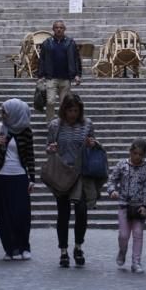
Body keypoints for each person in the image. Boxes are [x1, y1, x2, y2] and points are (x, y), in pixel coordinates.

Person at [46, 92, 99, 268]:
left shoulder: (87, 124)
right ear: (64, 110)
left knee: (82, 211)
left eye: (76, 110)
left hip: (80, 174)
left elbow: (93, 145)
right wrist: (51, 148)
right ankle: (63, 250)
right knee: (63, 213)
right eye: (69, 110)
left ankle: (78, 246)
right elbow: (49, 148)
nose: (72, 114)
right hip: (62, 173)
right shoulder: (55, 125)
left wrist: (92, 144)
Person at [0, 98, 35, 261]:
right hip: (1, 176)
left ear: (15, 113)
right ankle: (10, 248)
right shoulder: (0, 128)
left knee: (21, 214)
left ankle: (24, 246)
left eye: (4, 112)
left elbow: (30, 156)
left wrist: (32, 178)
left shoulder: (26, 131)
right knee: (3, 213)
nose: (2, 115)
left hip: (20, 176)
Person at [107, 138, 146, 274]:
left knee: (138, 234)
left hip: (139, 206)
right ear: (130, 152)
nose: (137, 157)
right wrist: (112, 190)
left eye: (141, 155)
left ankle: (136, 262)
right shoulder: (122, 165)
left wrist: (145, 205)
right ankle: (122, 251)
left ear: (144, 155)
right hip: (124, 205)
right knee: (123, 235)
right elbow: (112, 180)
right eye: (135, 153)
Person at [38, 20, 82, 124]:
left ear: (64, 29)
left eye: (61, 28)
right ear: (53, 29)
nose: (59, 29)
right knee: (50, 101)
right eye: (57, 27)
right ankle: (50, 123)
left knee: (64, 104)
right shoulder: (47, 43)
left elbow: (76, 59)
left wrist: (77, 75)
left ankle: (62, 123)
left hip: (66, 78)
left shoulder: (70, 42)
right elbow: (42, 60)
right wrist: (40, 75)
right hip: (51, 77)